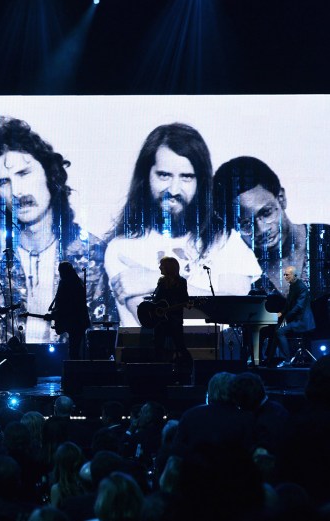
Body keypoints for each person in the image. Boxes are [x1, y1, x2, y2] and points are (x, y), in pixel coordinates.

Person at [0, 116, 114, 342]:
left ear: (49, 173)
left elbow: (104, 334)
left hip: (72, 368)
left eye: (23, 173)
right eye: (3, 182)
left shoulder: (95, 255)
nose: (17, 191)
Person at [105, 123, 261, 327]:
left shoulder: (225, 240)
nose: (174, 189)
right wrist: (214, 302)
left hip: (216, 359)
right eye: (164, 175)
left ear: (200, 182)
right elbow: (158, 319)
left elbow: (239, 312)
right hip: (150, 358)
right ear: (146, 176)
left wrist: (156, 281)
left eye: (186, 177)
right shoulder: (122, 248)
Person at [212, 156, 330, 314]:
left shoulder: (325, 239)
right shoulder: (248, 276)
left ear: (281, 199)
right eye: (246, 224)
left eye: (266, 213)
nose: (261, 229)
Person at [272, 266, 316, 367]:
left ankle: (287, 360)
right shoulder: (293, 285)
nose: (285, 276)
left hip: (302, 321)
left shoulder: (301, 287)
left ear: (294, 275)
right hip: (296, 319)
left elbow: (298, 306)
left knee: (279, 331)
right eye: (284, 274)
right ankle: (272, 357)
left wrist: (286, 317)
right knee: (276, 329)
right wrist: (281, 313)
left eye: (287, 274)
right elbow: (288, 304)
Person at [151, 256, 192, 362]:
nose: (160, 267)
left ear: (168, 267)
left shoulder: (181, 282)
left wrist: (181, 305)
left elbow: (185, 300)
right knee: (158, 347)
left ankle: (189, 368)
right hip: (160, 321)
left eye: (162, 265)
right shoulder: (161, 281)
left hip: (174, 320)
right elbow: (158, 299)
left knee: (180, 346)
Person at [48, 260, 91, 360]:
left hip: (75, 321)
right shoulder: (75, 282)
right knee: (74, 349)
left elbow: (67, 304)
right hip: (77, 321)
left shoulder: (68, 283)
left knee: (74, 350)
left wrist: (56, 313)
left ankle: (75, 371)